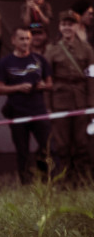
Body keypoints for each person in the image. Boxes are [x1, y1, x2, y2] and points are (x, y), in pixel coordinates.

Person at [0, 27, 53, 184]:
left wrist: (43, 86)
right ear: (13, 40)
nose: (25, 42)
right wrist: (18, 88)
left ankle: (47, 180)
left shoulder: (39, 60)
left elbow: (50, 83)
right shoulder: (5, 62)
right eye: (22, 39)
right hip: (17, 112)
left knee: (48, 147)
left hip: (39, 110)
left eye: (28, 39)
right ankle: (26, 183)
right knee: (22, 151)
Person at [44, 10, 94, 180]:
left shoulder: (87, 50)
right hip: (60, 101)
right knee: (62, 145)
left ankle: (83, 179)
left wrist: (91, 104)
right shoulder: (51, 50)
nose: (67, 28)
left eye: (71, 24)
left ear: (77, 26)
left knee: (82, 143)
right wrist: (48, 106)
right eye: (64, 24)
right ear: (59, 26)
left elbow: (91, 77)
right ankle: (63, 180)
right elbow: (47, 80)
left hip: (81, 101)